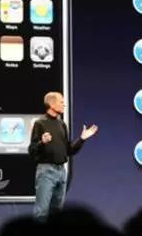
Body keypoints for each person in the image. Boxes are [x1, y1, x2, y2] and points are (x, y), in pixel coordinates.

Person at [28, 91, 99, 219]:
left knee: (57, 213)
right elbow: (32, 150)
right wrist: (42, 142)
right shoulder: (40, 123)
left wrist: (82, 139)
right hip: (46, 171)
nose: (64, 105)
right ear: (51, 104)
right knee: (41, 212)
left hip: (61, 172)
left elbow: (69, 150)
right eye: (61, 102)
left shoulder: (62, 124)